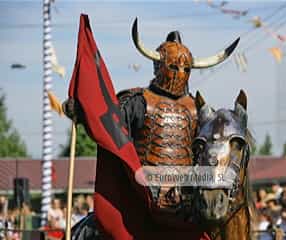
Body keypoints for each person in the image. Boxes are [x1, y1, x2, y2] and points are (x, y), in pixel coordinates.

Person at [63, 15, 239, 240]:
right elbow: (109, 127)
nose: (179, 73)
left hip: (185, 201)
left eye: (185, 69)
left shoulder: (197, 107)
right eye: (173, 66)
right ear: (158, 65)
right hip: (140, 195)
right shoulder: (137, 101)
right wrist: (84, 110)